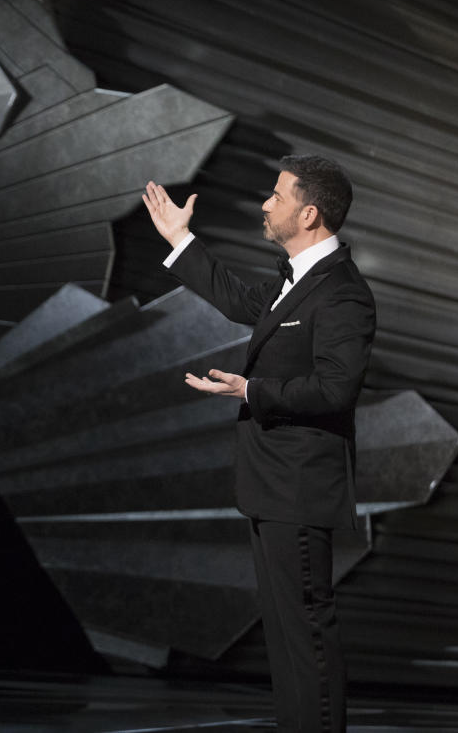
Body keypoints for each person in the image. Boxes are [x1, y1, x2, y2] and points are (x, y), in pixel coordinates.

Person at [143, 155, 375, 732]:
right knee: (288, 639)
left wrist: (252, 388)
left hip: (298, 488)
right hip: (273, 488)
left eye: (277, 196)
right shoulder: (296, 280)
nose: (266, 204)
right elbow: (242, 302)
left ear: (310, 212)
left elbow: (335, 389)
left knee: (306, 636)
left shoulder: (342, 293)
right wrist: (180, 240)